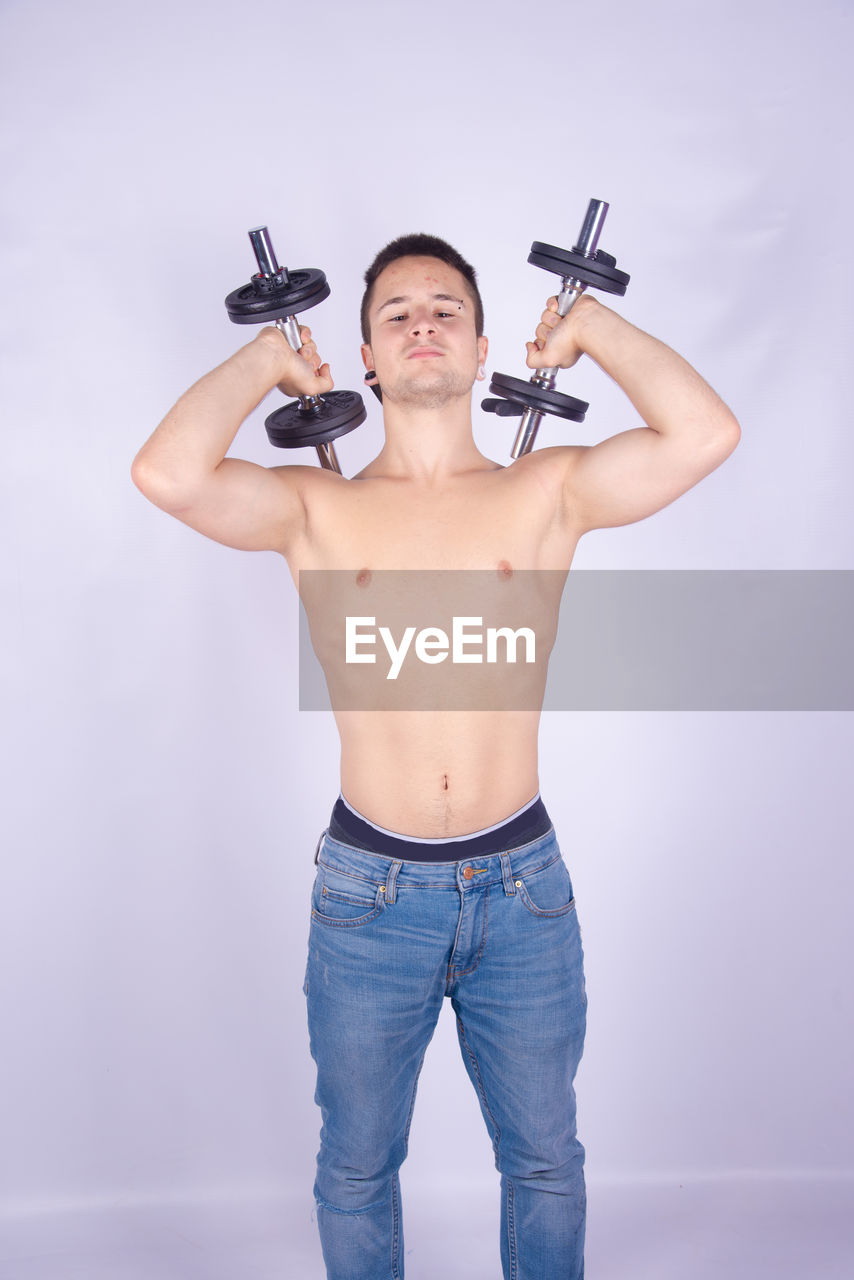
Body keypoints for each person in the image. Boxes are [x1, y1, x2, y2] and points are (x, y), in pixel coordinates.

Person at [131, 230, 740, 1279]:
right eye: (397, 313)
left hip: (523, 889)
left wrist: (590, 328)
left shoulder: (543, 489)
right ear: (363, 357)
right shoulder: (316, 508)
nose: (423, 323)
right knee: (357, 1166)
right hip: (369, 896)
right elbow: (167, 473)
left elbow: (702, 433)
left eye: (445, 308)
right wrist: (265, 361)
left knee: (545, 1160)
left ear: (480, 343)